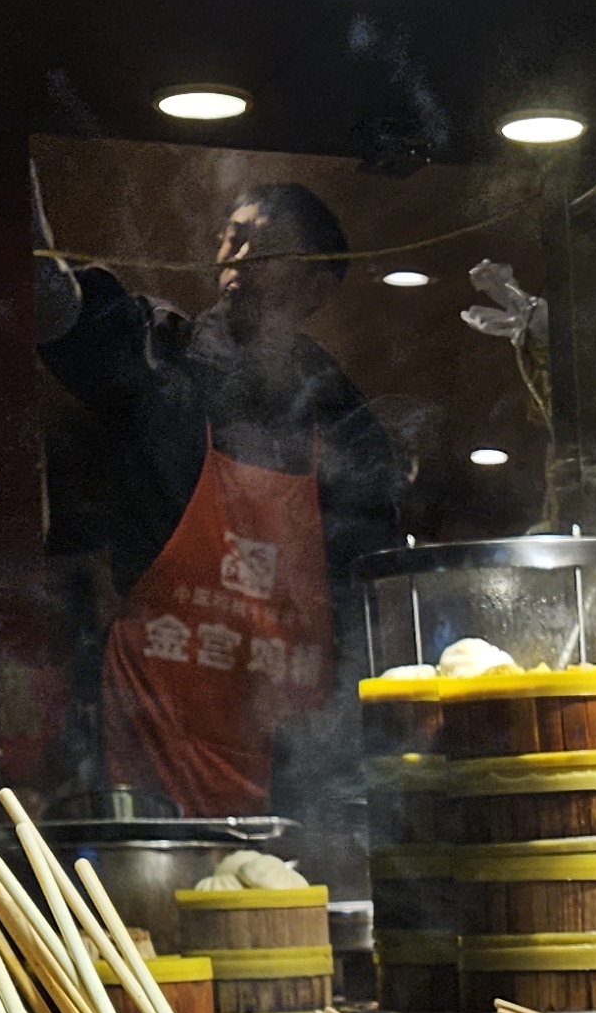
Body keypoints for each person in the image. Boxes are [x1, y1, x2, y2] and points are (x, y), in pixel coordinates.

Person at [38, 179, 402, 815]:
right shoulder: (161, 357)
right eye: (232, 239)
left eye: (267, 246)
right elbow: (63, 316)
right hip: (157, 730)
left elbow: (370, 602)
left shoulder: (345, 422)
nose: (239, 256)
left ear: (320, 287)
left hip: (297, 763)